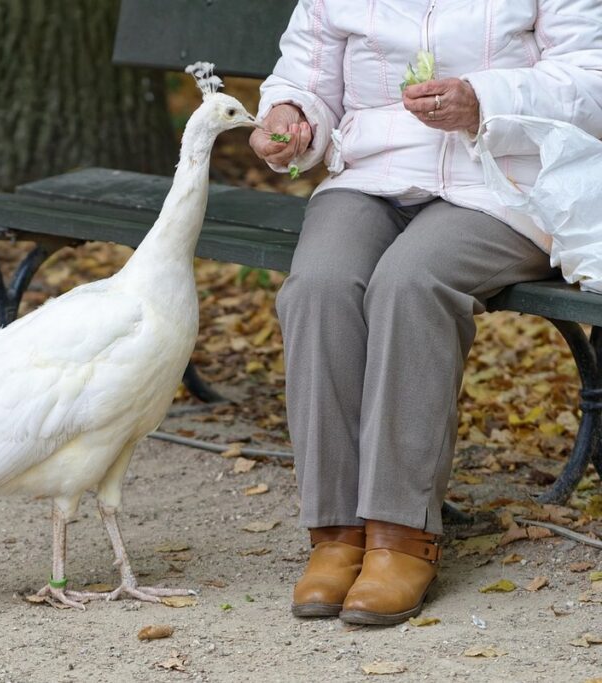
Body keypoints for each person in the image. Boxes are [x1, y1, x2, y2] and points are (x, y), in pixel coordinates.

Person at [249, 0, 602, 625]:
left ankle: (400, 531)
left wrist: (483, 99)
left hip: (504, 182)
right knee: (320, 285)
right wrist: (290, 117)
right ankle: (335, 531)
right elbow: (306, 77)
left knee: (411, 282)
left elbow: (592, 77)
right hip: (373, 175)